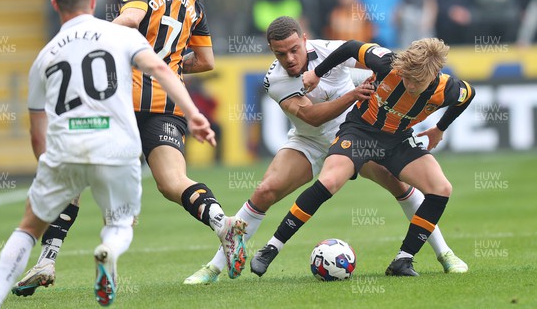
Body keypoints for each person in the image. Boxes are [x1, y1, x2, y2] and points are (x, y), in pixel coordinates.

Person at [0, 0, 216, 308]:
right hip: (116, 143)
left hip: (66, 144)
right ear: (93, 0)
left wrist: (50, 168)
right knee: (120, 222)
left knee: (27, 229)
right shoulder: (121, 37)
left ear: (54, 4)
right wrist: (194, 115)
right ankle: (108, 251)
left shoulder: (44, 56)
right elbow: (164, 69)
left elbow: (37, 132)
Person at [184, 16, 468, 284]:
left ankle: (444, 253)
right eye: (281, 54)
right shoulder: (276, 80)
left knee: (402, 188)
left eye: (295, 50)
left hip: (356, 135)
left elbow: (367, 56)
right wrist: (353, 94)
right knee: (265, 191)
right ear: (271, 51)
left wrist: (373, 83)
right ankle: (215, 267)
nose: (290, 59)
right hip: (308, 140)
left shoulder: (327, 51)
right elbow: (312, 117)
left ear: (305, 40)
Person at [251, 36, 476, 277]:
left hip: (398, 139)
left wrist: (439, 129)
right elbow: (349, 47)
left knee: (441, 188)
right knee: (329, 182)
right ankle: (271, 248)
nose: (410, 84)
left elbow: (469, 95)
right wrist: (317, 73)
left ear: (433, 76)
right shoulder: (387, 64)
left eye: (416, 81)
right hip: (360, 132)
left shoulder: (449, 89)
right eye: (406, 77)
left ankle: (404, 259)